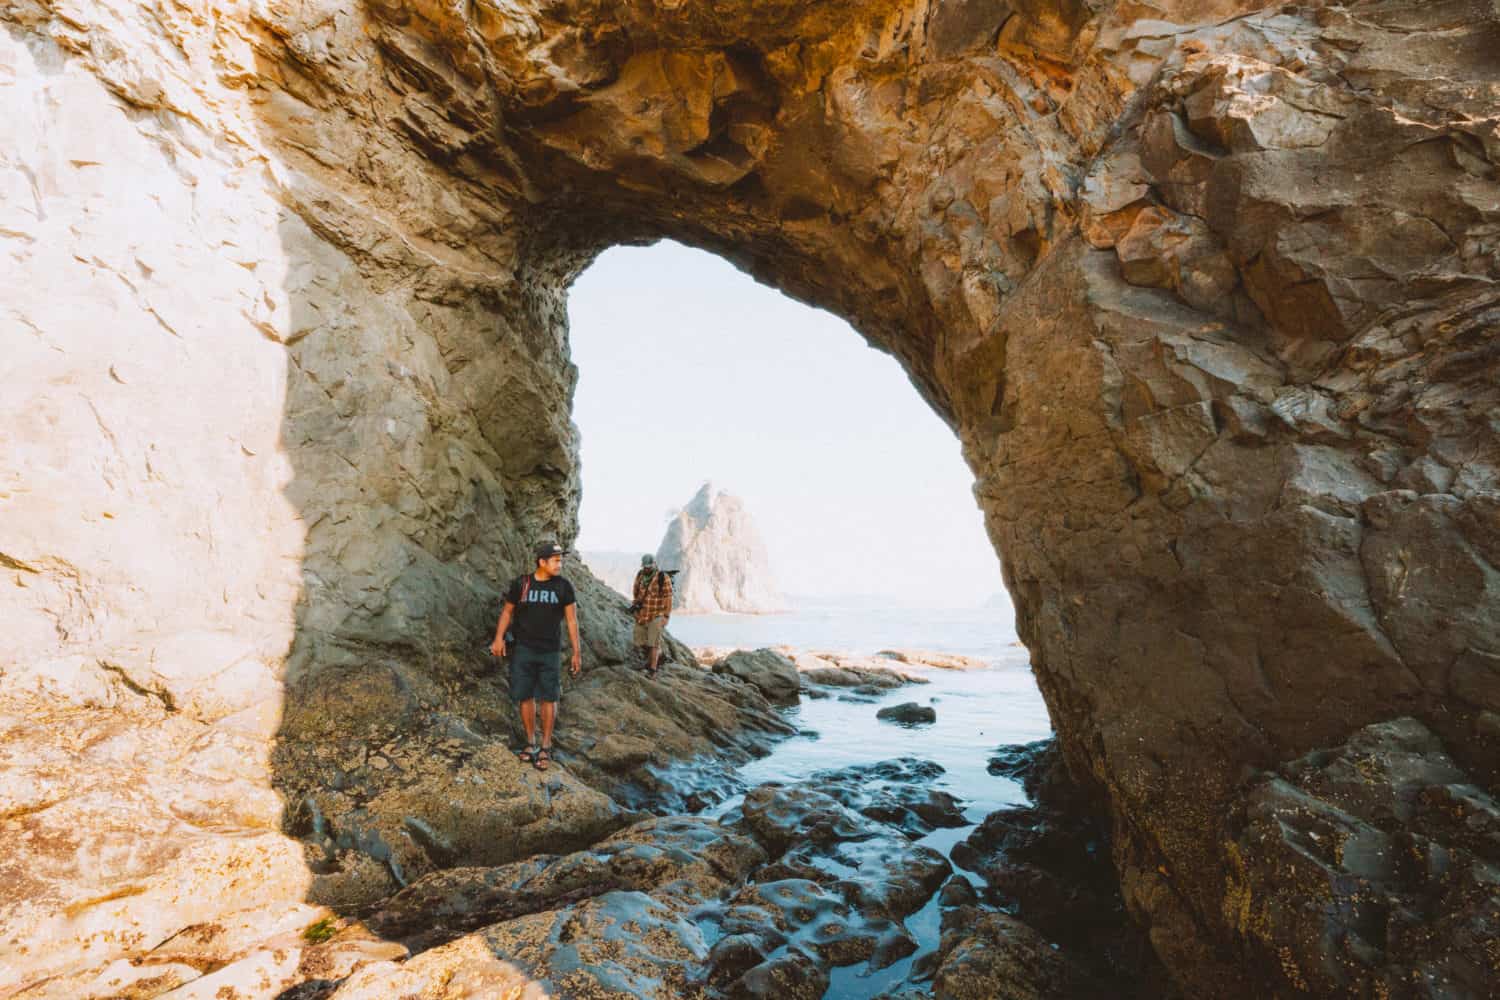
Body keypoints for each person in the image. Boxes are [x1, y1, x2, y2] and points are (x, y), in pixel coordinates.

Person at [489, 541, 580, 772]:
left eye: (561, 560)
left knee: (549, 697)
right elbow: (507, 611)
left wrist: (576, 652)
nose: (560, 564)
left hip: (550, 651)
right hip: (523, 649)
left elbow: (571, 620)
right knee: (525, 696)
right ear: (542, 561)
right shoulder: (522, 584)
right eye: (556, 560)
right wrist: (499, 638)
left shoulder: (564, 587)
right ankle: (530, 743)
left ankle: (546, 746)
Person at [631, 554, 673, 678]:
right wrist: (635, 608)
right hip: (642, 614)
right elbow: (636, 592)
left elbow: (668, 598)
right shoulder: (640, 575)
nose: (647, 568)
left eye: (649, 566)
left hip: (657, 614)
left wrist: (666, 616)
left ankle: (652, 670)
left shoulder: (662, 577)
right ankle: (658, 656)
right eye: (645, 566)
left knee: (653, 643)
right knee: (639, 641)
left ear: (654, 564)